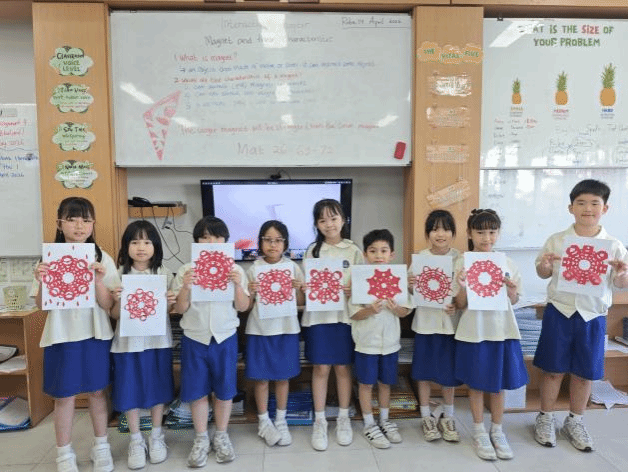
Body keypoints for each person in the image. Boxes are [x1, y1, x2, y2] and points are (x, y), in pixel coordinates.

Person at [532, 179, 628, 452]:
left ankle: (575, 420)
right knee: (552, 370)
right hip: (560, 311)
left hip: (592, 316)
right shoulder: (557, 240)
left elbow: (621, 283)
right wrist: (545, 265)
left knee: (585, 374)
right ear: (570, 207)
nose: (588, 208)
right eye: (581, 203)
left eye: (595, 203)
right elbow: (542, 272)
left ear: (605, 209)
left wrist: (622, 273)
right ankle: (545, 417)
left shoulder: (613, 245)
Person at [32, 197, 118, 472]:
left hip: (95, 333)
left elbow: (108, 305)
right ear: (60, 223)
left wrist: (98, 281)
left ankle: (101, 446)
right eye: (72, 219)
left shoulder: (102, 257)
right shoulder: (48, 258)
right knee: (64, 395)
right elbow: (41, 305)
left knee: (97, 392)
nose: (79, 226)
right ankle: (63, 453)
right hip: (61, 335)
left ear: (93, 224)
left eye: (86, 219)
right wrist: (42, 281)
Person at [172, 216, 250, 467]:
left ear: (226, 241)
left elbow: (243, 306)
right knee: (197, 392)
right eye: (205, 237)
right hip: (194, 338)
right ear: (196, 241)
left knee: (224, 391)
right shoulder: (186, 270)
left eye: (217, 236)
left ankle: (222, 435)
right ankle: (201, 438)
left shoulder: (236, 270)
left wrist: (237, 286)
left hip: (225, 337)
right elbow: (179, 309)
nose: (211, 242)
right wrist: (186, 287)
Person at [453, 209, 528, 461]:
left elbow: (514, 300)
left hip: (502, 330)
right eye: (480, 232)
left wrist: (512, 291)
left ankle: (497, 430)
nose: (487, 238)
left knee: (498, 385)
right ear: (469, 234)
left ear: (498, 233)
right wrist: (462, 287)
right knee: (476, 384)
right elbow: (460, 304)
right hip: (474, 331)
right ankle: (478, 431)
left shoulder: (507, 263)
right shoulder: (462, 262)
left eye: (492, 232)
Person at [110, 220, 176, 469]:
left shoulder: (164, 273)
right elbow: (114, 314)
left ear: (155, 246)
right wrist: (118, 300)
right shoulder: (119, 274)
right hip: (127, 344)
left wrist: (171, 301)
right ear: (126, 246)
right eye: (135, 242)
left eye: (147, 242)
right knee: (129, 391)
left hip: (157, 342)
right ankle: (136, 440)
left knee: (158, 388)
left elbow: (169, 311)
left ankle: (156, 435)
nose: (141, 247)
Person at [301, 199, 364, 451]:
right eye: (322, 220)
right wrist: (305, 287)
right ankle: (319, 421)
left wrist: (354, 289)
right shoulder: (312, 250)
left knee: (343, 368)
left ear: (343, 219)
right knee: (320, 368)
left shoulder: (353, 250)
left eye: (333, 218)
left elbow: (364, 283)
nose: (329, 224)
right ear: (317, 224)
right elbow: (307, 285)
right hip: (318, 319)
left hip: (344, 318)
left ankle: (343, 418)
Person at [246, 220, 305, 447]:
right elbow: (246, 305)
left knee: (283, 377)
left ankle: (281, 420)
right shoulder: (253, 269)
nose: (273, 245)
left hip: (286, 329)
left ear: (285, 244)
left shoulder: (292, 267)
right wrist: (251, 291)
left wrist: (298, 289)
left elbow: (300, 303)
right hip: (260, 331)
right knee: (261, 378)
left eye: (278, 240)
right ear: (260, 242)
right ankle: (264, 421)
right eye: (268, 240)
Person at [349, 229, 411, 448]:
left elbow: (405, 311)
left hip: (390, 343)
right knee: (366, 384)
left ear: (391, 254)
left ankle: (385, 420)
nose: (378, 255)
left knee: (386, 383)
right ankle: (369, 424)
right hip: (366, 343)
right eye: (373, 251)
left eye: (384, 251)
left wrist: (396, 308)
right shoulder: (358, 279)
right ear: (365, 254)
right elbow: (353, 314)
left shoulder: (398, 278)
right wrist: (370, 310)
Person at [409, 210, 462, 443]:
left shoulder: (460, 259)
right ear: (427, 233)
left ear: (453, 233)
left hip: (450, 325)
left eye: (446, 229)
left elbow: (464, 293)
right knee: (423, 372)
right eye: (434, 229)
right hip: (425, 323)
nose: (440, 234)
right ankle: (426, 417)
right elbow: (411, 291)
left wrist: (456, 305)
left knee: (448, 373)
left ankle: (448, 416)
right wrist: (410, 284)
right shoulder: (420, 258)